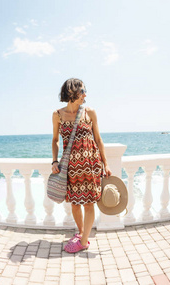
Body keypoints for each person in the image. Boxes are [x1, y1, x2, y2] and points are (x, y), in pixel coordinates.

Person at [51, 78, 112, 253]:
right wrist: (54, 161)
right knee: (75, 204)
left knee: (89, 203)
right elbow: (55, 140)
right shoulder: (58, 115)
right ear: (72, 92)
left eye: (85, 91)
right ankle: (81, 233)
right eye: (82, 90)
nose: (85, 94)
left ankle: (84, 241)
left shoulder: (90, 112)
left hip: (91, 164)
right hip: (70, 166)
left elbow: (98, 140)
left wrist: (105, 164)